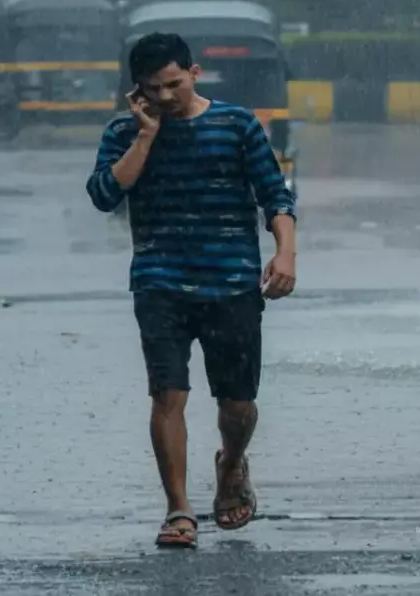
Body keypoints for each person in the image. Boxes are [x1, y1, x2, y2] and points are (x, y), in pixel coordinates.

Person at [86, 32, 297, 549]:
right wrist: (146, 135)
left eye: (174, 84)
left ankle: (231, 462)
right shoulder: (125, 132)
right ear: (137, 90)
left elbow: (274, 194)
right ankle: (178, 509)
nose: (164, 96)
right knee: (167, 395)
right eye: (152, 88)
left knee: (238, 404)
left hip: (231, 283)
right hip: (159, 281)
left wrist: (285, 252)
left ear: (194, 73)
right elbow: (104, 195)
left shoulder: (236, 124)